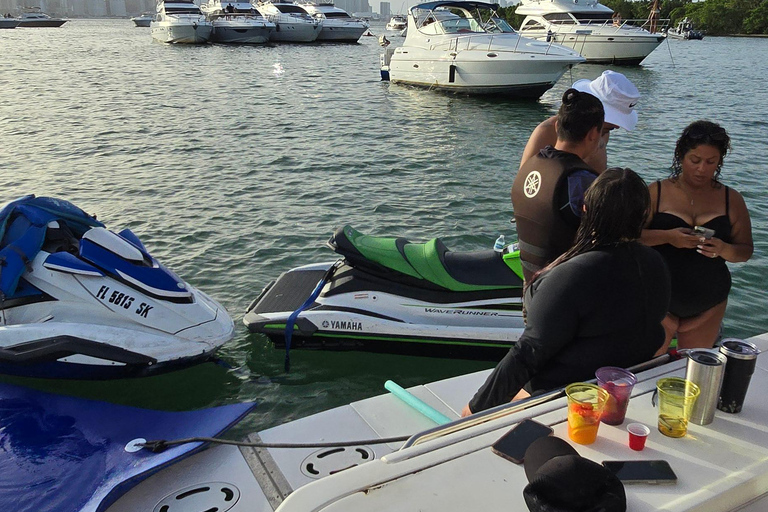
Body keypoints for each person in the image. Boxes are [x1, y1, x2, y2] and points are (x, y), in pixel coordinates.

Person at [463, 168, 670, 415]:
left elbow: (528, 353)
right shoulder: (656, 263)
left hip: (567, 396)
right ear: (644, 216)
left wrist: (476, 409)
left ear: (586, 210)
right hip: (628, 384)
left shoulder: (571, 275)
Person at [641, 121, 753, 354]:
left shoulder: (731, 200)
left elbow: (745, 251)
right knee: (645, 371)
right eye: (695, 160)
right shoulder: (656, 192)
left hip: (708, 306)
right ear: (681, 156)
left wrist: (722, 249)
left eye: (711, 162)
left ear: (719, 162)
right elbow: (630, 238)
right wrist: (667, 237)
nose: (702, 169)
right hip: (658, 303)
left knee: (693, 377)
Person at [511, 88, 604, 282]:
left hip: (529, 285)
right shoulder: (581, 180)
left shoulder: (529, 166)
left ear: (557, 127)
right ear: (594, 133)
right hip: (564, 289)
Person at [519, 70, 640, 174]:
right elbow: (524, 185)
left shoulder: (603, 133)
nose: (617, 126)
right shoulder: (547, 131)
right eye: (614, 121)